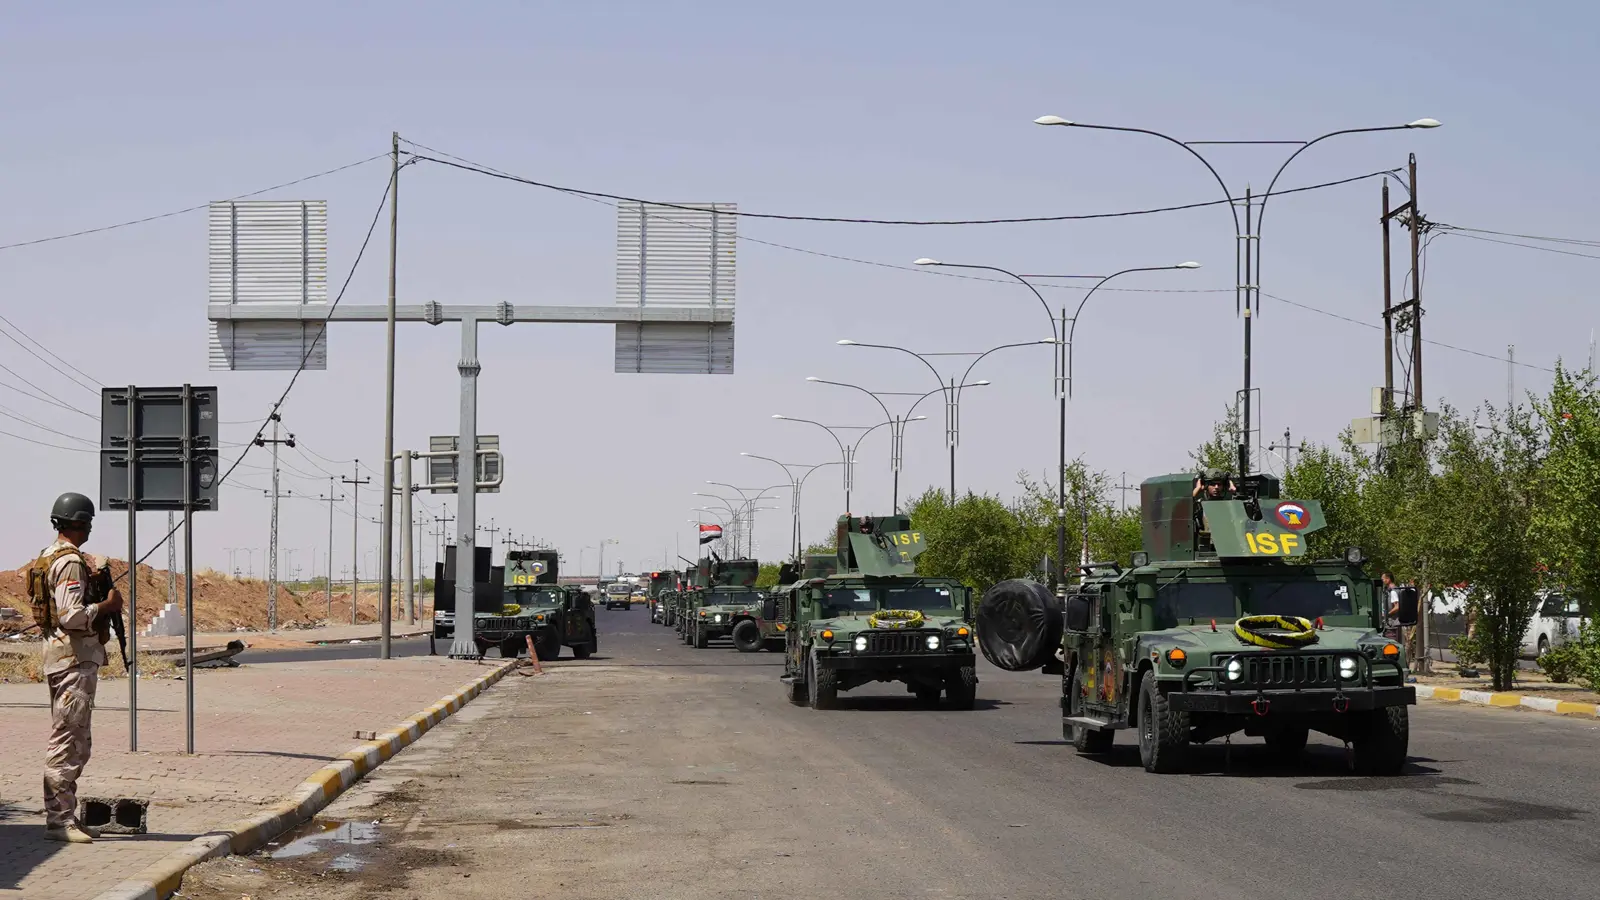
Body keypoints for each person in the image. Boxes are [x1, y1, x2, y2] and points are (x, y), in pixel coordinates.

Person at [38, 492, 123, 844]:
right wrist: (106, 605)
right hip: (73, 659)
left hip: (61, 658)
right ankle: (59, 822)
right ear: (79, 523)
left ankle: (64, 816)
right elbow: (72, 615)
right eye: (87, 522)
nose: (89, 529)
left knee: (75, 739)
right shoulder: (69, 561)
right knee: (68, 741)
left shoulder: (48, 556)